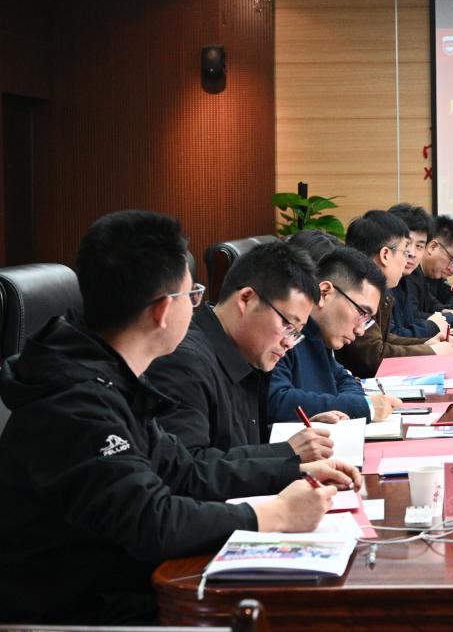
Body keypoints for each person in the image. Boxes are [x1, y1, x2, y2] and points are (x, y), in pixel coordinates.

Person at [0, 211, 353, 624]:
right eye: (193, 295)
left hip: (122, 588)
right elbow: (153, 521)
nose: (199, 308)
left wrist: (293, 468)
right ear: (164, 310)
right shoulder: (76, 400)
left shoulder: (112, 374)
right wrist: (275, 515)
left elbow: (185, 470)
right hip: (79, 614)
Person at [147, 239, 337, 461]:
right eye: (288, 325)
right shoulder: (183, 362)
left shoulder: (245, 355)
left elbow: (240, 443)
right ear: (247, 299)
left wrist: (296, 434)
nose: (289, 343)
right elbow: (187, 466)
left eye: (296, 333)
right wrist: (287, 452)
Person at [267, 243, 393, 422]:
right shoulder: (282, 333)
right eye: (361, 313)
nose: (360, 330)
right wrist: (363, 407)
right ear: (325, 293)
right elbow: (276, 401)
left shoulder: (319, 336)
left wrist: (357, 405)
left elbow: (345, 379)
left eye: (367, 319)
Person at [337, 210, 451, 375]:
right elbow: (375, 354)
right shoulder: (357, 292)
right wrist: (431, 352)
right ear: (385, 255)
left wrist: (426, 344)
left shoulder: (377, 290)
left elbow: (384, 338)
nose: (408, 259)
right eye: (405, 252)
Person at [410, 213, 453, 319]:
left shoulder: (429, 275)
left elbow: (435, 305)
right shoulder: (409, 272)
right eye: (452, 259)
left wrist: (448, 312)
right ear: (432, 247)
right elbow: (411, 318)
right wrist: (450, 316)